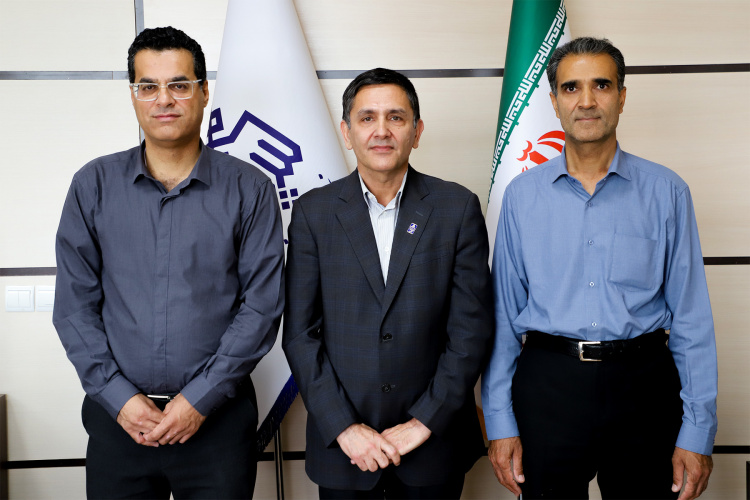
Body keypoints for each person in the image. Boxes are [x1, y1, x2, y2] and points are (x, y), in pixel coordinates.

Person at [53, 26, 284, 499]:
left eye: (179, 85)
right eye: (148, 86)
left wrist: (199, 400)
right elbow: (74, 307)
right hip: (119, 422)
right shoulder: (92, 186)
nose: (164, 100)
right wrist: (119, 398)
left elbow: (261, 308)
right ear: (133, 95)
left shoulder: (251, 190)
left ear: (203, 92)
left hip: (217, 423)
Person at [482, 37, 717, 500]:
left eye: (602, 85)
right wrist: (500, 423)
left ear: (622, 97)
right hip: (547, 387)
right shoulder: (522, 197)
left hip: (643, 387)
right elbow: (503, 317)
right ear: (554, 102)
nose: (586, 101)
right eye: (571, 88)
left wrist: (697, 431)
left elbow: (692, 319)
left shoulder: (667, 192)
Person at [283, 68, 493, 499]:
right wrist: (344, 427)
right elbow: (300, 336)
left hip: (433, 447)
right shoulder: (313, 214)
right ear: (347, 132)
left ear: (417, 131)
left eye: (396, 117)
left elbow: (469, 332)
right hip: (345, 451)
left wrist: (423, 422)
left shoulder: (456, 208)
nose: (382, 130)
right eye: (367, 118)